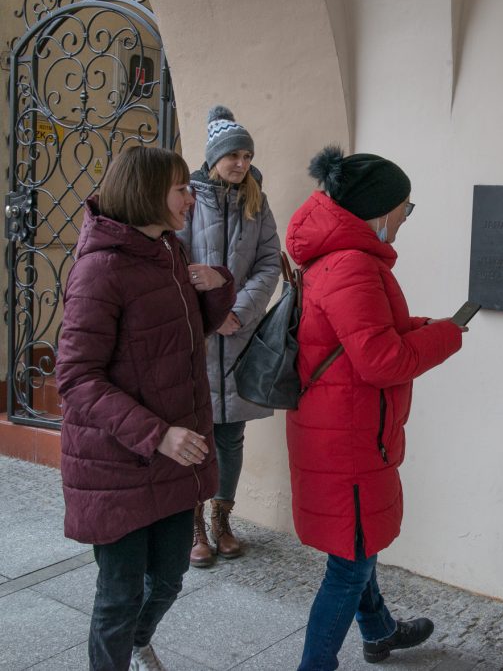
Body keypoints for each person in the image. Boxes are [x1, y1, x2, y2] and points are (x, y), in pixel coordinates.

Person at [286, 146, 465, 670]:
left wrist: (422, 329)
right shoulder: (351, 265)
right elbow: (382, 361)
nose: (405, 220)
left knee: (357, 543)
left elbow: (359, 336)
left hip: (341, 426)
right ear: (379, 210)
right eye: (405, 209)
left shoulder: (337, 256)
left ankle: (380, 631)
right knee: (350, 562)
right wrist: (450, 336)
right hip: (350, 435)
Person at [57, 146, 234, 671]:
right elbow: (76, 377)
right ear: (146, 193)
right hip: (119, 463)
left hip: (172, 455)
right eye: (182, 188)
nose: (191, 198)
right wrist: (157, 434)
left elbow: (179, 337)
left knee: (172, 576)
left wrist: (217, 285)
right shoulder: (100, 270)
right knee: (118, 594)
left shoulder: (169, 251)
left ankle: (137, 643)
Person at [178, 105, 281, 567]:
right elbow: (174, 263)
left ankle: (222, 519)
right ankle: (194, 524)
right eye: (231, 155)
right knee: (196, 434)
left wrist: (237, 310)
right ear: (212, 158)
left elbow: (267, 261)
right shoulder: (188, 200)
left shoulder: (257, 202)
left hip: (240, 336)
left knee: (231, 437)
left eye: (245, 154)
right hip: (195, 339)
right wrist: (210, 315)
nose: (239, 163)